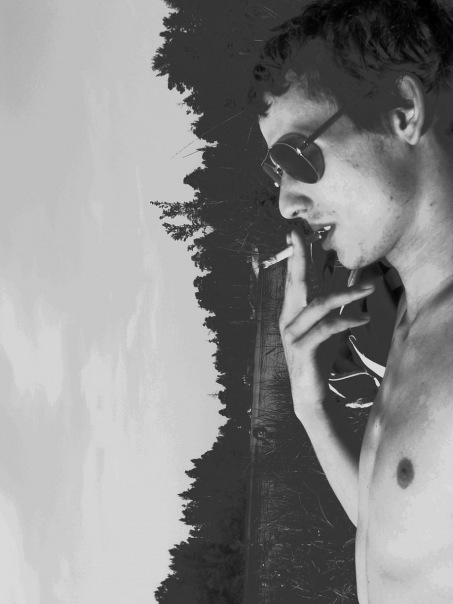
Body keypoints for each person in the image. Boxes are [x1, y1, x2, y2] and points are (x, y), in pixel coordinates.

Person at [249, 0, 453, 601]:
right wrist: (312, 409)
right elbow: (395, 538)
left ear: (402, 111)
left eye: (295, 155)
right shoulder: (412, 317)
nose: (286, 202)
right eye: (276, 173)